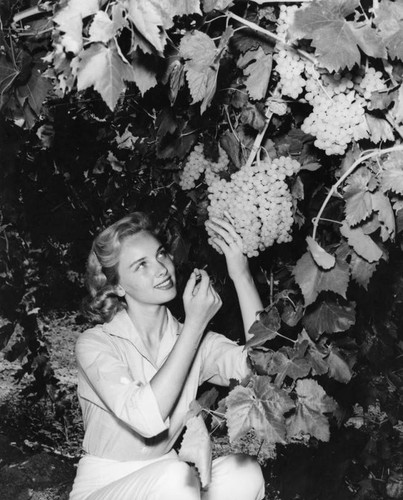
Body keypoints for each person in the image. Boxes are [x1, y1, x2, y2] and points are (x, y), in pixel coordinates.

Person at [69, 211, 266, 500]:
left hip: (169, 480)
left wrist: (242, 276)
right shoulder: (96, 344)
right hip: (104, 486)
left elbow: (262, 371)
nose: (161, 269)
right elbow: (145, 419)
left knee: (244, 473)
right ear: (118, 287)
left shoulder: (191, 338)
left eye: (161, 254)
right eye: (141, 266)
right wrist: (195, 324)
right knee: (176, 478)